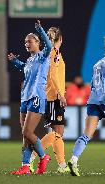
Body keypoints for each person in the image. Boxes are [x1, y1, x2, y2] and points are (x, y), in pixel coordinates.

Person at [67, 37, 105, 176]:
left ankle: (74, 159)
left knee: (87, 133)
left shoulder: (98, 63)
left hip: (93, 100)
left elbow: (99, 80)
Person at [8, 20, 52, 175]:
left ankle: (43, 156)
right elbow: (24, 68)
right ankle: (25, 166)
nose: (27, 44)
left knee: (28, 132)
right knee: (25, 135)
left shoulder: (43, 56)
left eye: (30, 41)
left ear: (38, 42)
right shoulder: (30, 59)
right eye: (25, 42)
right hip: (25, 98)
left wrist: (40, 29)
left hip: (36, 97)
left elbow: (50, 46)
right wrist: (15, 62)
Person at [29, 27, 69, 173]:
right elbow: (52, 75)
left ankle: (62, 164)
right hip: (53, 97)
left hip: (52, 96)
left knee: (58, 132)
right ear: (61, 39)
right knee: (57, 132)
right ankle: (33, 157)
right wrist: (61, 94)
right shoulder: (54, 53)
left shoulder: (52, 52)